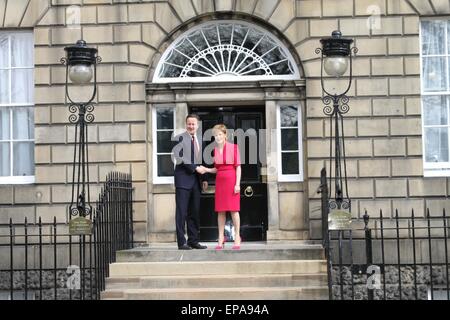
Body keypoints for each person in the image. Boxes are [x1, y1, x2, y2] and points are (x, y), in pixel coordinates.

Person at [173, 114, 208, 250]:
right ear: (186, 124)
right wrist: (195, 168)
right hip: (183, 180)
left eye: (193, 124)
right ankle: (182, 242)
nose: (191, 126)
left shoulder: (200, 139)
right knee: (182, 212)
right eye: (189, 124)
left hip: (196, 181)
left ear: (197, 125)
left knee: (194, 212)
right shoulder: (180, 138)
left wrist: (205, 178)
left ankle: (193, 240)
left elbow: (204, 159)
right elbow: (180, 157)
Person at [204, 124, 242, 250]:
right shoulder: (215, 150)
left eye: (220, 134)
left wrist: (237, 184)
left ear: (225, 135)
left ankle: (237, 236)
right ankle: (221, 237)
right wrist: (206, 170)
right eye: (215, 135)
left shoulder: (233, 147)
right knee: (220, 211)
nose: (218, 137)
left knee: (234, 210)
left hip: (232, 181)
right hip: (220, 182)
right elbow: (217, 168)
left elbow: (238, 167)